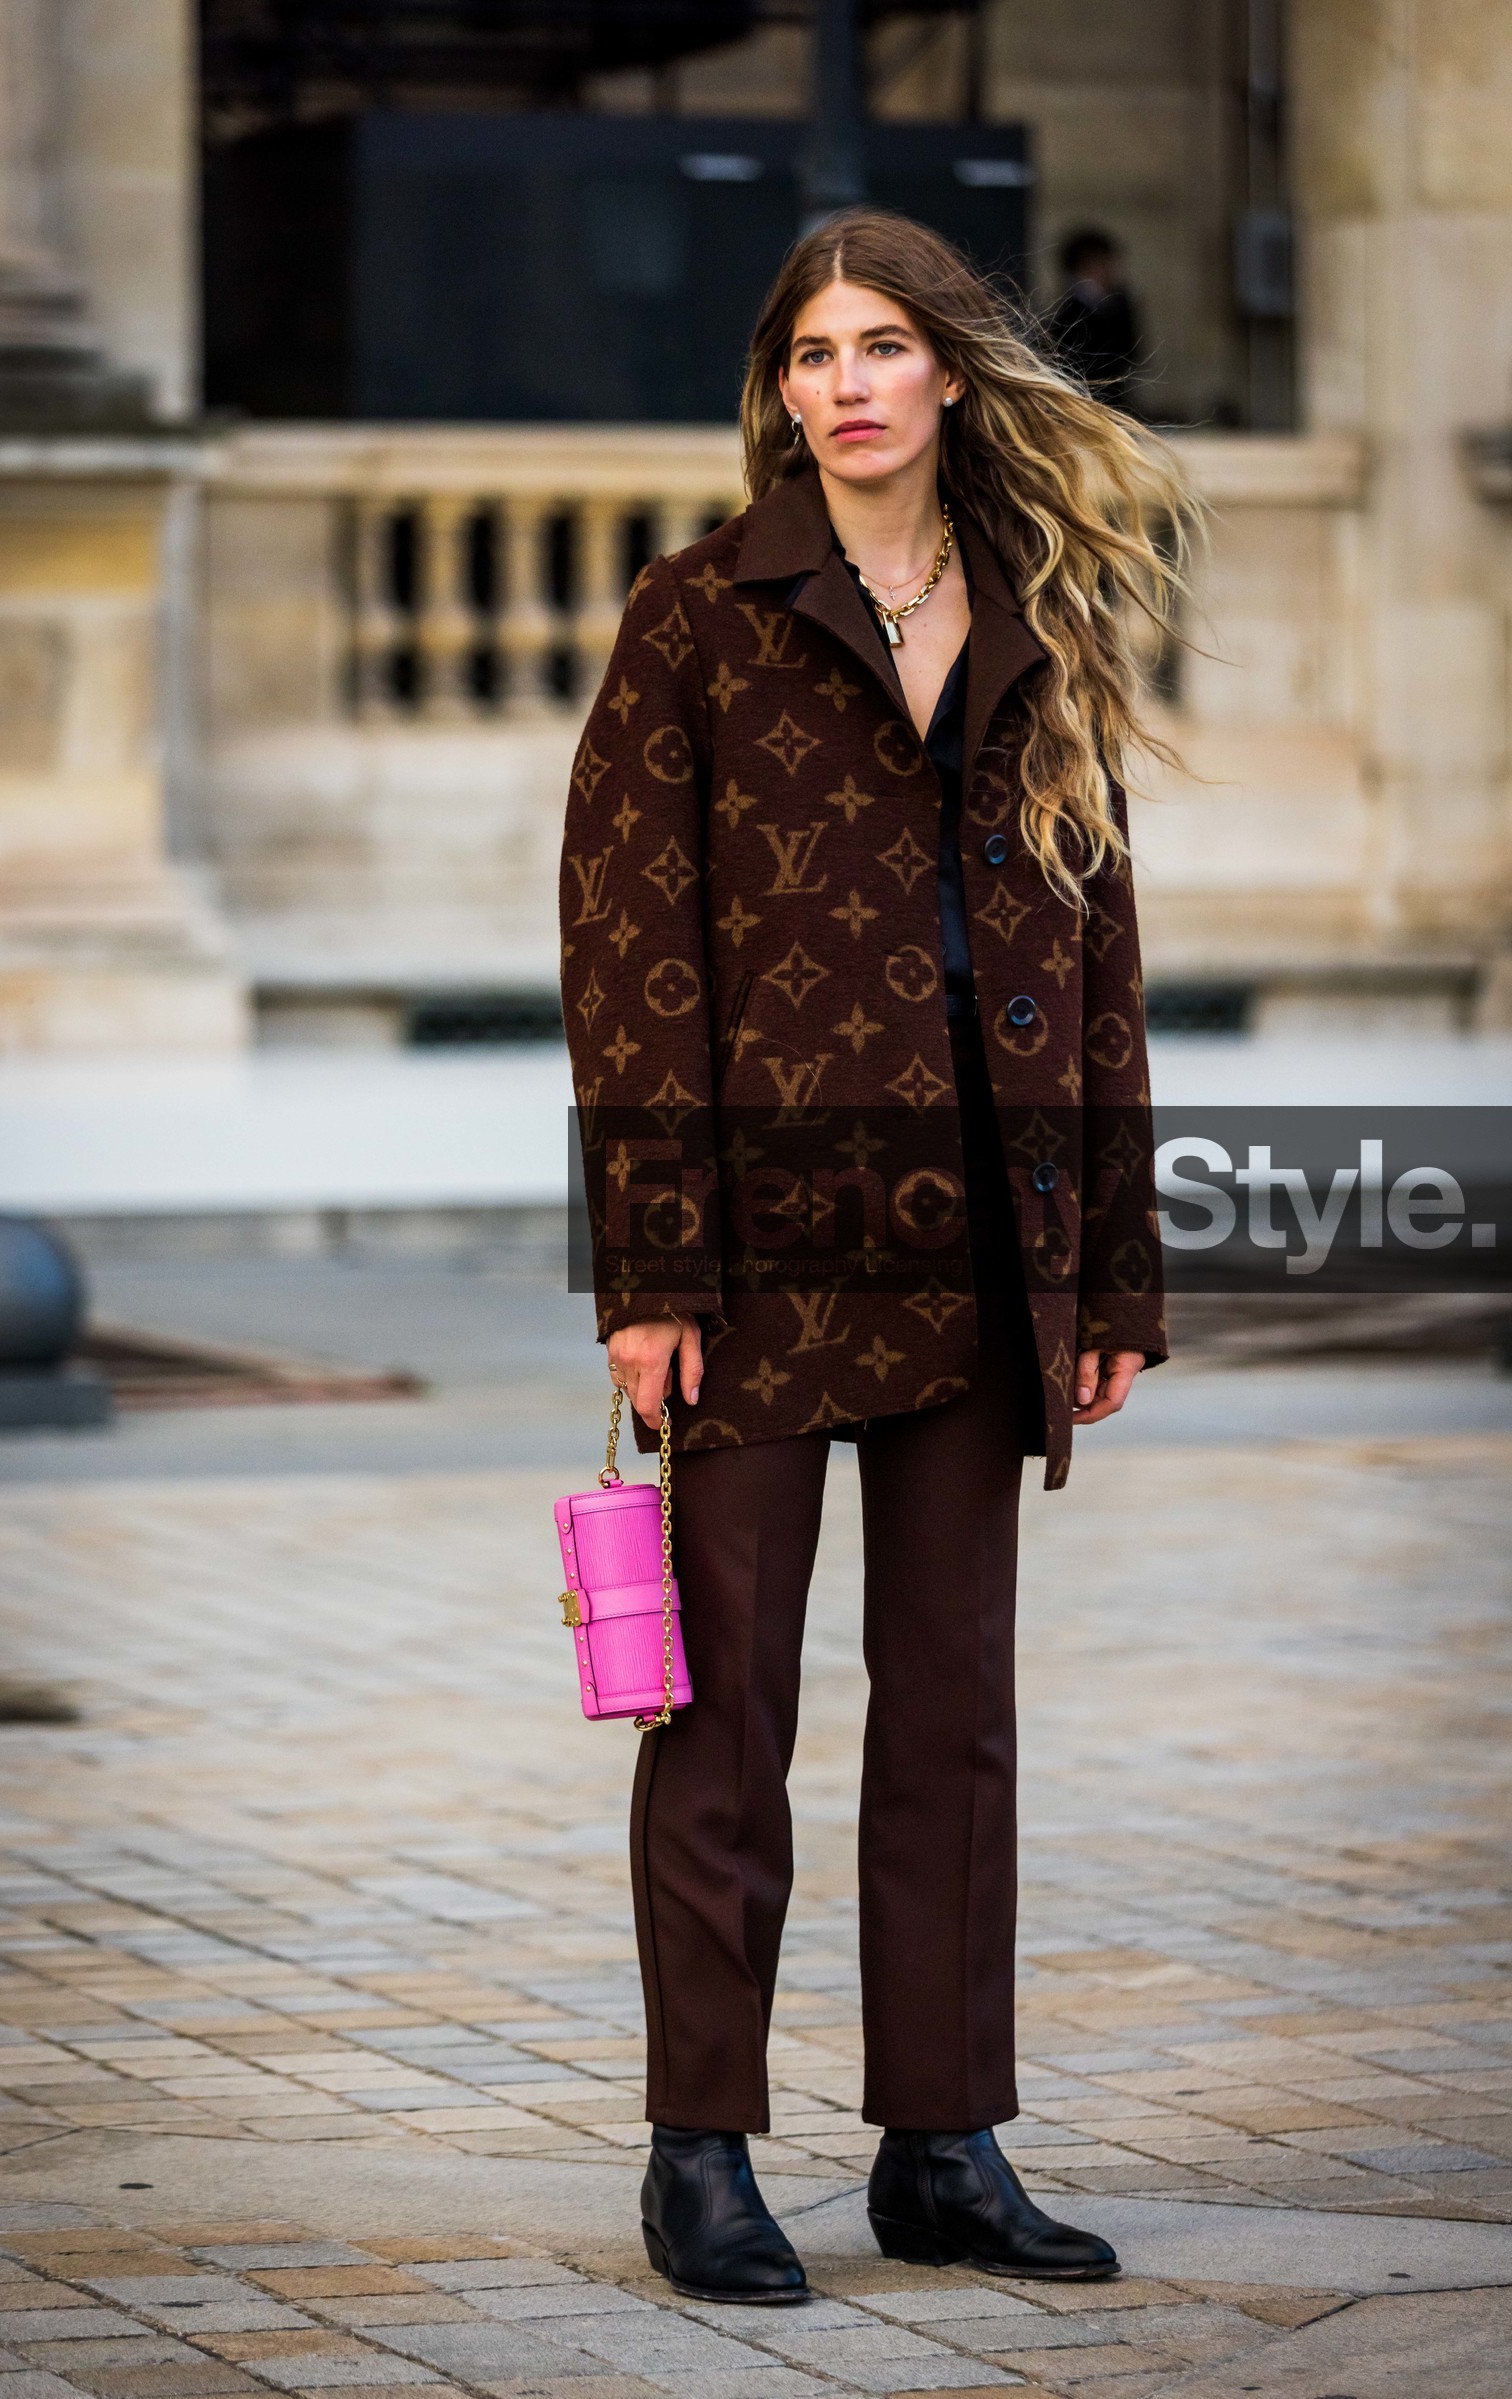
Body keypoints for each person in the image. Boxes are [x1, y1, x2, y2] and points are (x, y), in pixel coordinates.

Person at [559, 207, 1190, 2304]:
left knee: (951, 1712)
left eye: (880, 345)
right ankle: (701, 2146)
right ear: (783, 389)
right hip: (753, 1250)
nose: (843, 381)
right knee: (719, 1712)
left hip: (979, 1250)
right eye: (810, 349)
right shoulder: (695, 617)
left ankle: (942, 2134)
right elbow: (630, 958)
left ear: (946, 376)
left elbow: (1095, 954)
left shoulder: (1035, 621)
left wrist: (1109, 1274)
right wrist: (648, 1265)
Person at [1046, 227, 1143, 413]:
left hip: (1112, 399)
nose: (1110, 271)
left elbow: (1131, 350)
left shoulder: (1117, 303)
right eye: (1104, 263)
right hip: (1083, 401)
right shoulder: (1071, 311)